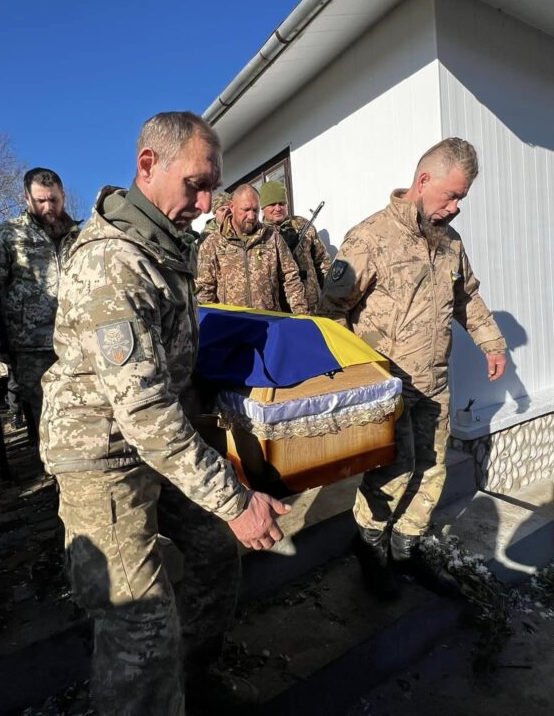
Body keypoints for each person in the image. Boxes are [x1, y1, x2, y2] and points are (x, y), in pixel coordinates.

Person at [41, 111, 290, 715]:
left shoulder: (165, 245)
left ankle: (192, 679)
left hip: (160, 438)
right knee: (139, 624)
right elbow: (144, 410)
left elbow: (175, 373)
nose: (207, 203)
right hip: (101, 455)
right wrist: (235, 501)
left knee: (213, 554)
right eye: (197, 185)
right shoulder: (114, 262)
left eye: (214, 189)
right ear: (148, 166)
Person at [319, 137, 507, 599]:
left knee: (432, 468)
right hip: (385, 387)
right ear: (423, 182)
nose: (456, 207)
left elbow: (466, 297)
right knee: (392, 469)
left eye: (462, 197)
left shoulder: (450, 243)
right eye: (452, 195)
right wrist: (352, 379)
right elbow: (329, 311)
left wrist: (492, 343)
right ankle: (370, 545)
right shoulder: (370, 238)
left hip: (435, 382)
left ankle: (406, 547)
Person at [0, 167, 80, 431]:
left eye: (54, 199)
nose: (49, 207)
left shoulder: (78, 236)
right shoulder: (8, 236)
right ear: (27, 199)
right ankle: (53, 471)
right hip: (33, 349)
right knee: (49, 421)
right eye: (41, 201)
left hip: (79, 342)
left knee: (86, 417)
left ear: (63, 196)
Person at [195, 183, 309, 314]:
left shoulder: (272, 237)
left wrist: (301, 316)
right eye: (246, 209)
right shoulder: (213, 244)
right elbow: (205, 290)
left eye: (255, 210)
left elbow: (291, 277)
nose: (251, 216)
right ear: (232, 207)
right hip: (233, 324)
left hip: (269, 321)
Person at [259, 180, 332, 313]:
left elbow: (322, 261)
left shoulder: (302, 225)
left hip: (312, 304)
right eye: (272, 204)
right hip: (279, 309)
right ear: (263, 207)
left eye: (281, 203)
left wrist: (331, 293)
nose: (278, 208)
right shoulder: (259, 235)